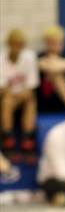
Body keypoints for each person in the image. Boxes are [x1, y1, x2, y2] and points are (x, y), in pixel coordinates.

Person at [0, 29, 39, 161]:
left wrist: (21, 95)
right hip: (7, 98)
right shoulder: (1, 58)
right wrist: (14, 95)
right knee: (7, 101)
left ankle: (27, 142)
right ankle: (8, 142)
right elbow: (3, 89)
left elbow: (31, 86)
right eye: (15, 44)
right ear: (9, 44)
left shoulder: (29, 57)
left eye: (20, 44)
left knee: (31, 100)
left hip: (23, 97)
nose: (17, 47)